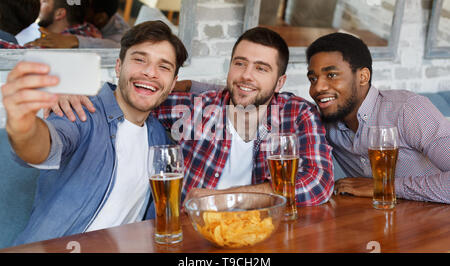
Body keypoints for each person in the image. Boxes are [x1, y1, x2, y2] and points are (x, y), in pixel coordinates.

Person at [48, 27, 335, 208]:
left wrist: (223, 197)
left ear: (280, 82)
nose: (246, 75)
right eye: (240, 63)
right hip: (192, 234)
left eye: (261, 68)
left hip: (260, 231)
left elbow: (318, 184)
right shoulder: (195, 108)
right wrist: (77, 92)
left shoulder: (297, 113)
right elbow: (135, 97)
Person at [1, 20, 188, 245]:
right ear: (119, 66)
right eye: (139, 59)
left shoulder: (158, 136)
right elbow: (43, 146)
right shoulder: (81, 112)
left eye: (164, 67)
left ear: (172, 83)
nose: (150, 72)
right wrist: (23, 125)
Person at [305, 32, 450, 203]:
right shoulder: (321, 124)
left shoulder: (407, 109)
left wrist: (384, 186)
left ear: (363, 77)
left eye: (331, 75)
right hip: (380, 221)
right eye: (313, 79)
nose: (317, 88)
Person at [29, 0, 129, 48]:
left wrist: (74, 40)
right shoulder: (90, 28)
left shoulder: (121, 34)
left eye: (85, 6)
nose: (77, 5)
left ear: (100, 19)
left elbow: (119, 50)